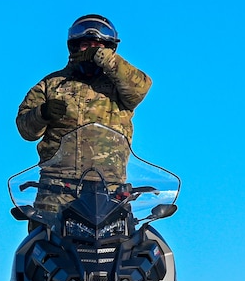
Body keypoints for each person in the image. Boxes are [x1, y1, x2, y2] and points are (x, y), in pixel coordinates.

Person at [15, 14, 151, 213]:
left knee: (138, 242)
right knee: (39, 242)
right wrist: (42, 113)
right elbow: (25, 129)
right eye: (86, 45)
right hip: (57, 190)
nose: (92, 50)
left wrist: (105, 59)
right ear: (74, 47)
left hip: (110, 192)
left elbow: (140, 88)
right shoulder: (51, 84)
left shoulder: (119, 86)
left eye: (99, 46)